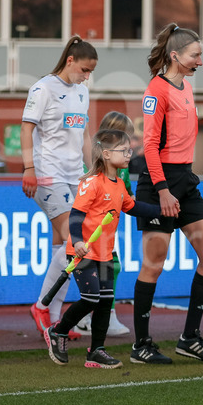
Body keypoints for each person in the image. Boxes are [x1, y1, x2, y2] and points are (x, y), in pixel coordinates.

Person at [132, 23, 203, 364]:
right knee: (154, 265)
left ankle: (190, 338)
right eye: (195, 55)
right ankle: (141, 345)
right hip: (160, 184)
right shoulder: (157, 90)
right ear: (175, 55)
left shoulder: (184, 86)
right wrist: (162, 191)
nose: (200, 61)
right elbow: (150, 146)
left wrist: (177, 186)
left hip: (185, 179)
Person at [43, 128, 162, 369]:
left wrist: (162, 211)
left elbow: (132, 206)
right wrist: (76, 241)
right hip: (83, 251)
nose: (129, 154)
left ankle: (96, 351)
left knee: (105, 302)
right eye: (124, 150)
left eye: (130, 150)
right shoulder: (92, 183)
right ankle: (59, 331)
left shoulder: (119, 184)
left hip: (106, 253)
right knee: (90, 298)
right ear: (106, 154)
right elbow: (76, 215)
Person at [22, 35, 98, 338]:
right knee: (74, 242)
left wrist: (91, 169)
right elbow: (26, 128)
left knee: (63, 247)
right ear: (70, 61)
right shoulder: (43, 88)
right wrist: (29, 168)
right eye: (84, 69)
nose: (87, 76)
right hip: (47, 174)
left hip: (73, 176)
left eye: (90, 72)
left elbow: (86, 133)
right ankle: (41, 306)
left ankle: (53, 321)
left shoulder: (82, 91)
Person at [74, 111, 137, 338]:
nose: (130, 146)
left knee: (109, 269)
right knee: (101, 271)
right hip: (93, 230)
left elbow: (127, 195)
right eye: (127, 138)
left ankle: (94, 319)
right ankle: (89, 318)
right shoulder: (97, 166)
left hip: (107, 226)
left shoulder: (120, 166)